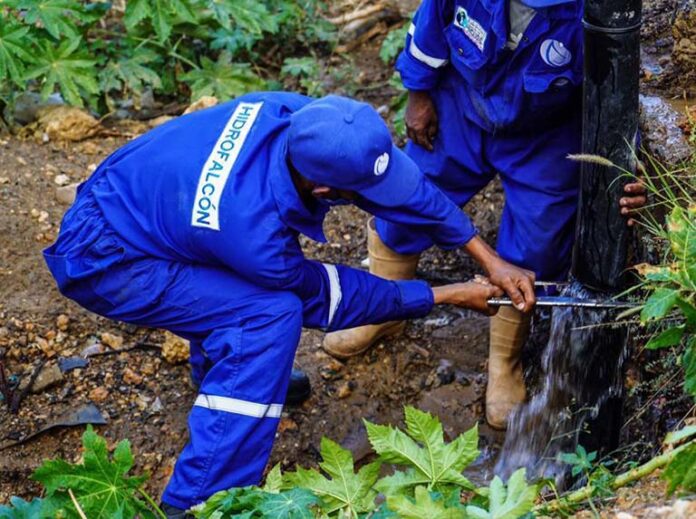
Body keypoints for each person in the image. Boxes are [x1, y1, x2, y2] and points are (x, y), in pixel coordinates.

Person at [43, 92, 535, 516]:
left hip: (145, 200)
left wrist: (486, 256)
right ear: (323, 190)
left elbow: (404, 189)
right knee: (268, 315)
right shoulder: (253, 234)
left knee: (231, 285)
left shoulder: (302, 118)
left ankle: (221, 365)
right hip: (107, 257)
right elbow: (328, 299)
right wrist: (441, 295)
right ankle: (203, 499)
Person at [322, 0, 647, 430]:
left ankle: (504, 362)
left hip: (546, 135)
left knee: (537, 243)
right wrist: (419, 93)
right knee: (407, 199)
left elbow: (614, 93)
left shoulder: (593, 14)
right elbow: (430, 28)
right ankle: (387, 308)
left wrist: (623, 165)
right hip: (462, 104)